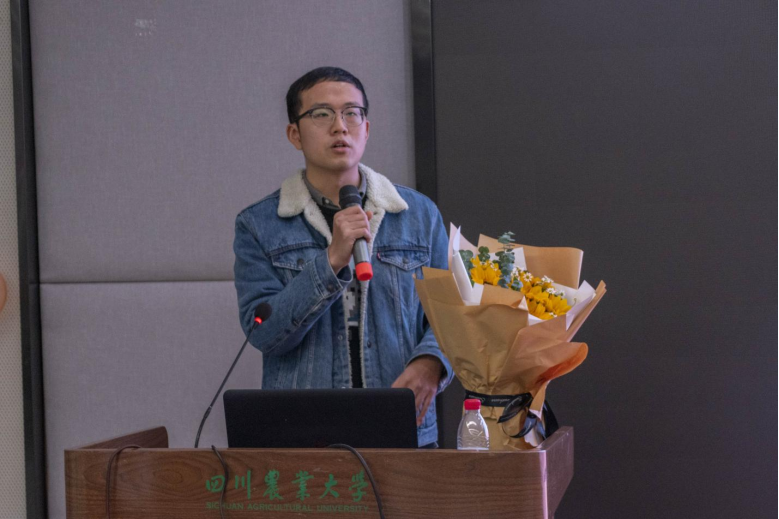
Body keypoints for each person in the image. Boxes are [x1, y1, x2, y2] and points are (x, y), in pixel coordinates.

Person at [233, 67, 453, 447]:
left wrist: (431, 363)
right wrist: (331, 261)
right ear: (294, 134)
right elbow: (263, 332)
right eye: (322, 114)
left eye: (352, 113)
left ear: (366, 129)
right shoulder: (259, 224)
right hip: (302, 435)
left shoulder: (418, 215)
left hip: (403, 427)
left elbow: (451, 311)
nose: (340, 126)